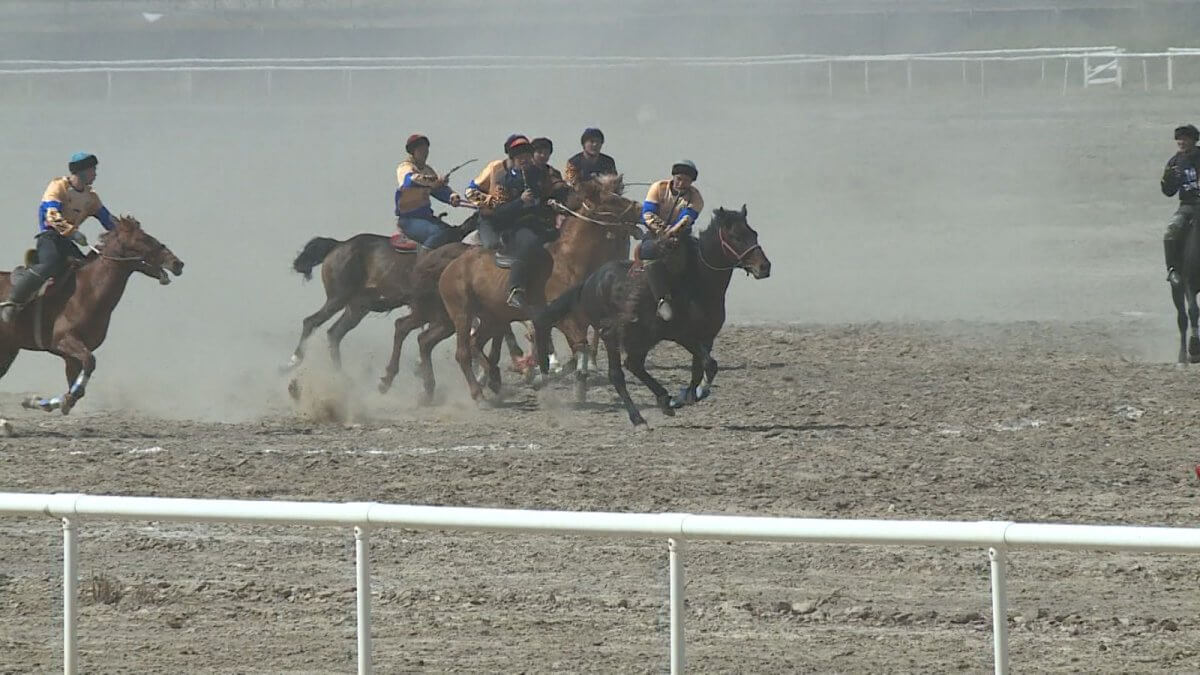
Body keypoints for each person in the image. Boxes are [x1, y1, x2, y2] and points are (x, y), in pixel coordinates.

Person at [1, 152, 117, 322]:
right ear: (81, 171)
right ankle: (14, 299)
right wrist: (73, 232)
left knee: (86, 272)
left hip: (68, 243)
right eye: (92, 169)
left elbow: (109, 220)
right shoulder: (58, 186)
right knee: (50, 263)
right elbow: (52, 215)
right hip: (50, 237)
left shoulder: (92, 198)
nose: (95, 174)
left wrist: (127, 232)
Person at [464, 135, 568, 309]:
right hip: (515, 225)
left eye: (527, 156)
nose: (524, 160)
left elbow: (552, 192)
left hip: (538, 221)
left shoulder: (540, 174)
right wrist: (520, 201)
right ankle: (516, 289)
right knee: (529, 242)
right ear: (513, 159)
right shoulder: (503, 180)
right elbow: (499, 213)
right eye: (520, 157)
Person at [638, 160, 704, 321]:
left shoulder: (696, 198)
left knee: (698, 257)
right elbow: (647, 214)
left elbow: (686, 219)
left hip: (680, 235)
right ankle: (662, 300)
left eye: (686, 181)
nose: (681, 184)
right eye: (679, 179)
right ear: (673, 177)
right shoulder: (658, 188)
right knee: (647, 251)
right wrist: (662, 232)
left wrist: (672, 233)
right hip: (656, 233)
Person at [394, 134, 462, 250]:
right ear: (413, 152)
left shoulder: (428, 170)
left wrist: (452, 196)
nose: (425, 153)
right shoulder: (404, 168)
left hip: (426, 217)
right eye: (421, 150)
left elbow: (438, 190)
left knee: (453, 235)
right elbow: (410, 181)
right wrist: (435, 181)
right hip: (409, 219)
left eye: (426, 150)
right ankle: (423, 262)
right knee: (438, 233)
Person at [1162, 124, 1200, 285]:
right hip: (1188, 205)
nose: (1181, 142)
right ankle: (1173, 269)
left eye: (1185, 139)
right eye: (1179, 139)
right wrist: (1168, 179)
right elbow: (1169, 191)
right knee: (1171, 230)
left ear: (1194, 140)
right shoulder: (1175, 162)